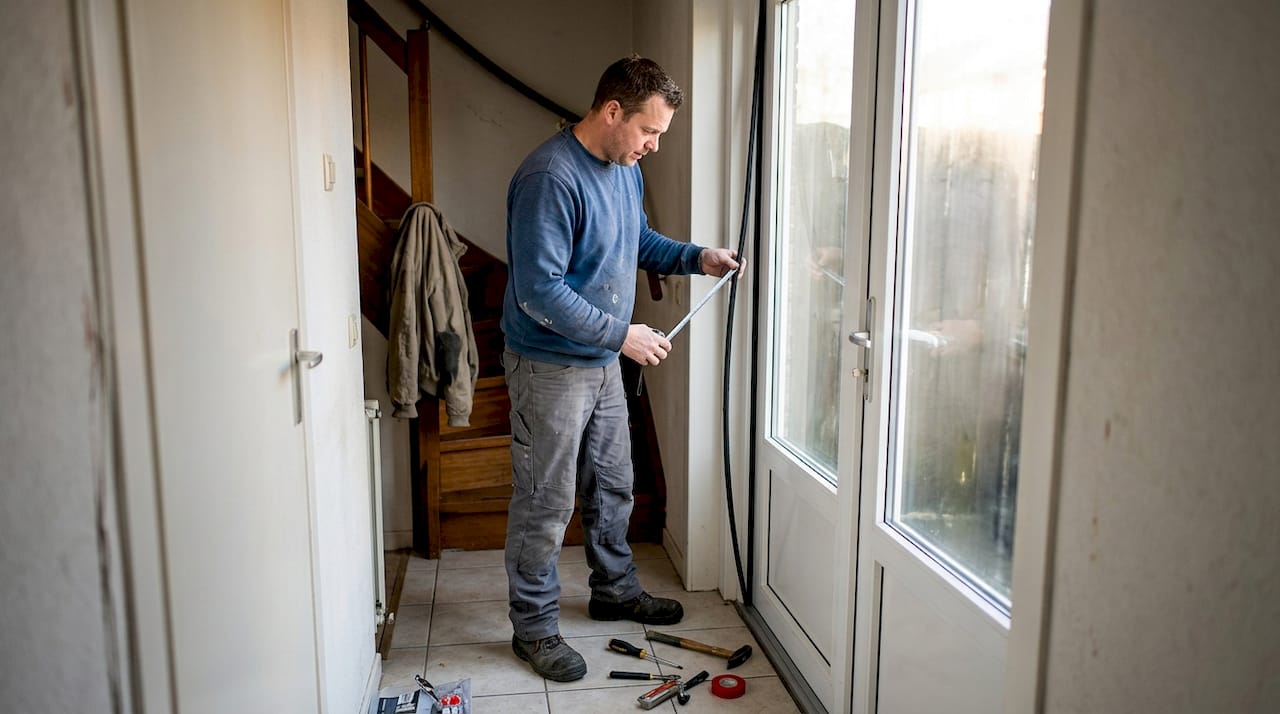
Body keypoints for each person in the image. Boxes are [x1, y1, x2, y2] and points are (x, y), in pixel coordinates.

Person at [499, 56, 740, 682]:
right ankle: (534, 627)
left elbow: (638, 242)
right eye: (648, 131)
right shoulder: (550, 177)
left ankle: (614, 592)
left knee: (613, 484)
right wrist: (622, 335)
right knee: (546, 501)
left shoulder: (625, 168)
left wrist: (698, 257)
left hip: (603, 360)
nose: (654, 145)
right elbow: (539, 292)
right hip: (549, 366)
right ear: (612, 111)